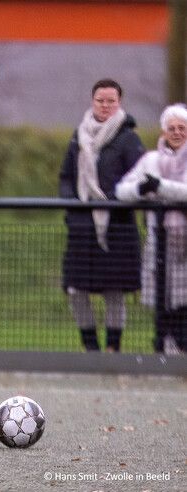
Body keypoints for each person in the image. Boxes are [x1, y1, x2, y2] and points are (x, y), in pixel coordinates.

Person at [59, 79, 144, 352]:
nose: (105, 105)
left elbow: (138, 177)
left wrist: (117, 199)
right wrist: (73, 208)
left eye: (111, 101)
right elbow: (66, 176)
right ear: (92, 100)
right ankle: (90, 348)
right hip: (82, 228)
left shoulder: (129, 138)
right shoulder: (78, 136)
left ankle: (113, 350)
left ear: (119, 102)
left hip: (117, 227)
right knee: (76, 291)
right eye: (100, 100)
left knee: (114, 292)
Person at [116, 103, 187, 354]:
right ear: (163, 132)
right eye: (171, 128)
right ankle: (164, 357)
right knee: (162, 306)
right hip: (159, 245)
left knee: (183, 306)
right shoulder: (150, 160)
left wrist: (160, 187)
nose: (177, 132)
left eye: (182, 128)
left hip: (184, 248)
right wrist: (140, 190)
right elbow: (121, 190)